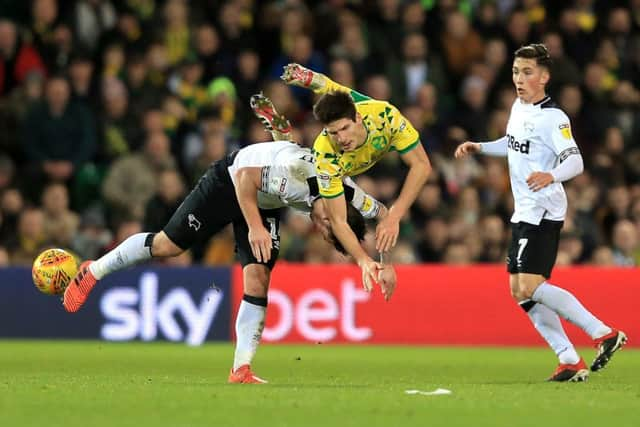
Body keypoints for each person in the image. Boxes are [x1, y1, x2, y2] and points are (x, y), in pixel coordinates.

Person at [63, 94, 396, 384]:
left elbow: (383, 214)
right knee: (169, 246)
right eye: (327, 225)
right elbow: (246, 178)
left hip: (265, 198)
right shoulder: (296, 176)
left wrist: (384, 263)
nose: (321, 226)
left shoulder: (348, 193)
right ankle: (93, 271)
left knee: (259, 277)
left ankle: (241, 369)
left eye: (327, 232)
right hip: (231, 180)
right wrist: (254, 227)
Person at [454, 43, 627, 382]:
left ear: (545, 77)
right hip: (525, 209)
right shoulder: (519, 107)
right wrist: (481, 147)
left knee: (530, 285)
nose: (520, 78)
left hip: (544, 209)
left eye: (527, 72)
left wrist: (552, 174)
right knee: (519, 289)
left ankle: (603, 333)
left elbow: (575, 160)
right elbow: (512, 143)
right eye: (517, 71)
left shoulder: (554, 118)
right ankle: (569, 359)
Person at [281, 63, 431, 291]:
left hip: (367, 142)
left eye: (344, 128)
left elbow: (421, 165)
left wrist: (395, 217)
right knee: (302, 176)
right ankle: (283, 140)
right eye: (333, 133)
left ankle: (306, 77)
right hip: (336, 172)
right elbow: (339, 221)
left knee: (338, 91)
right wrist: (364, 260)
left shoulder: (384, 115)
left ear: (358, 119)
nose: (341, 138)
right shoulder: (325, 153)